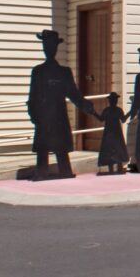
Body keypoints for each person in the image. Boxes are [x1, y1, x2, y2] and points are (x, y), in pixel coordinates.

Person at [26, 29, 96, 181]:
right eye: (45, 46)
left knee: (61, 149)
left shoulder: (64, 72)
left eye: (51, 46)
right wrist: (33, 114)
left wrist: (86, 106)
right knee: (43, 149)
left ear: (56, 48)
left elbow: (74, 94)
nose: (48, 49)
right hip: (43, 117)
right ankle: (42, 172)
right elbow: (32, 95)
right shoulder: (38, 71)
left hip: (58, 116)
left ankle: (65, 172)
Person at [97, 92, 129, 175]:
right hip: (112, 132)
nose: (113, 101)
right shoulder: (110, 110)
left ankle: (118, 168)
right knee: (112, 149)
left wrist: (130, 112)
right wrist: (93, 113)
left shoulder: (115, 110)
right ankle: (113, 169)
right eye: (112, 100)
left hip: (113, 132)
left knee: (115, 149)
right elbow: (101, 119)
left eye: (114, 100)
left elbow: (123, 119)